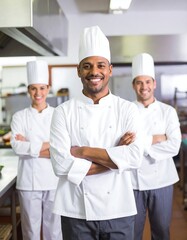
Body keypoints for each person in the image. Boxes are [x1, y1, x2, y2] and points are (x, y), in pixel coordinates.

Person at [50, 25, 143, 240]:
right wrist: (115, 156)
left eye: (101, 65)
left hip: (119, 209)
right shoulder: (62, 112)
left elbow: (135, 157)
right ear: (78, 70)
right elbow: (60, 165)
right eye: (87, 66)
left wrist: (82, 151)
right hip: (75, 211)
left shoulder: (126, 109)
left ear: (110, 69)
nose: (94, 72)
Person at [131, 53, 182, 240]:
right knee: (133, 232)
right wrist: (157, 138)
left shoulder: (167, 111)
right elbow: (123, 146)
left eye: (148, 82)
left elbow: (174, 146)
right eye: (139, 82)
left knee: (161, 231)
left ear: (154, 84)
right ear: (133, 85)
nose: (144, 87)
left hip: (162, 181)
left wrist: (139, 143)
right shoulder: (126, 111)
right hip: (133, 183)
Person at [10, 60, 62, 240]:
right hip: (28, 182)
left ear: (48, 88)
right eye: (33, 88)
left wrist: (30, 146)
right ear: (28, 90)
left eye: (41, 88)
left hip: (54, 180)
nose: (38, 93)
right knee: (30, 231)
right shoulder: (19, 117)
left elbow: (63, 147)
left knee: (54, 231)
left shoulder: (58, 114)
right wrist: (49, 145)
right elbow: (17, 146)